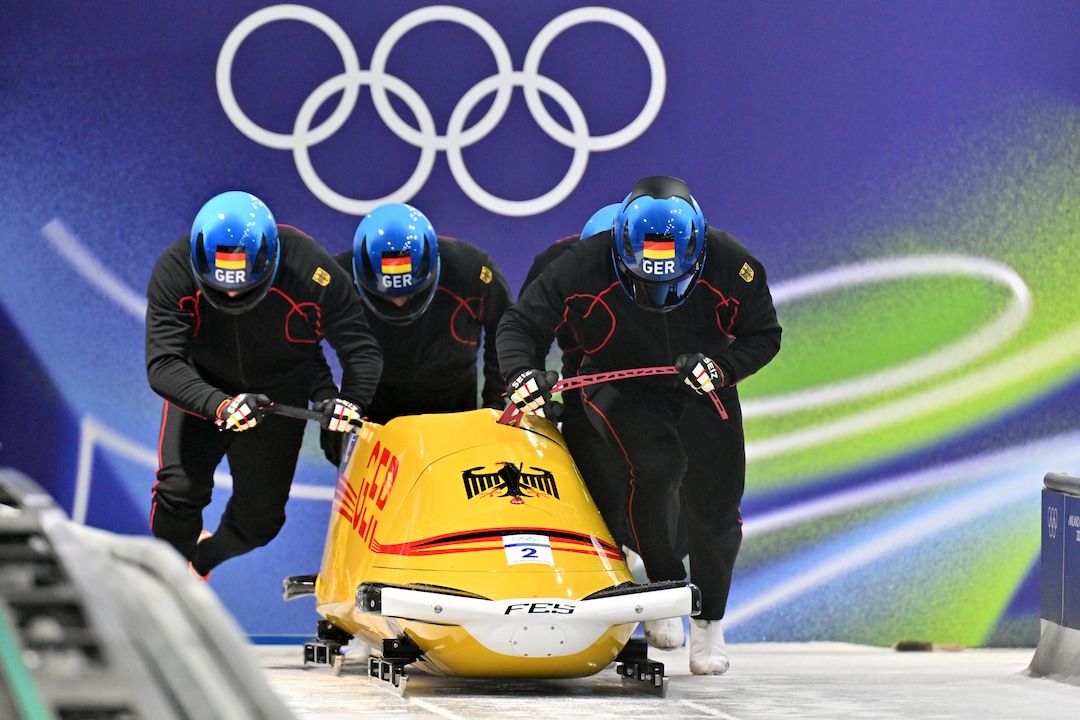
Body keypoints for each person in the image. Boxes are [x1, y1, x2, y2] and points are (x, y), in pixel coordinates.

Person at [497, 176, 782, 675]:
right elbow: (520, 324)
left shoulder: (733, 264)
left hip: (702, 383)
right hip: (620, 384)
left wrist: (723, 368)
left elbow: (764, 335)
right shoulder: (578, 265)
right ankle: (665, 590)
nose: (658, 293)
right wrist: (522, 374)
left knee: (714, 504)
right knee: (657, 467)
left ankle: (709, 623)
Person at [145, 190, 383, 580]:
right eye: (220, 285)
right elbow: (163, 363)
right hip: (204, 388)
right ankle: (167, 587)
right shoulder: (175, 268)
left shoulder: (311, 269)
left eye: (244, 282)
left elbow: (362, 350)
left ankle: (203, 561)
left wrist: (349, 402)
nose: (233, 292)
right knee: (178, 492)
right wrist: (219, 405)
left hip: (277, 395)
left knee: (260, 522)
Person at [327, 201, 512, 431]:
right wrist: (325, 394)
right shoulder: (336, 278)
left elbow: (507, 330)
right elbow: (305, 338)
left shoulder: (472, 271)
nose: (399, 302)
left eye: (411, 294)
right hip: (371, 397)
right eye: (385, 296)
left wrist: (496, 403)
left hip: (451, 397)